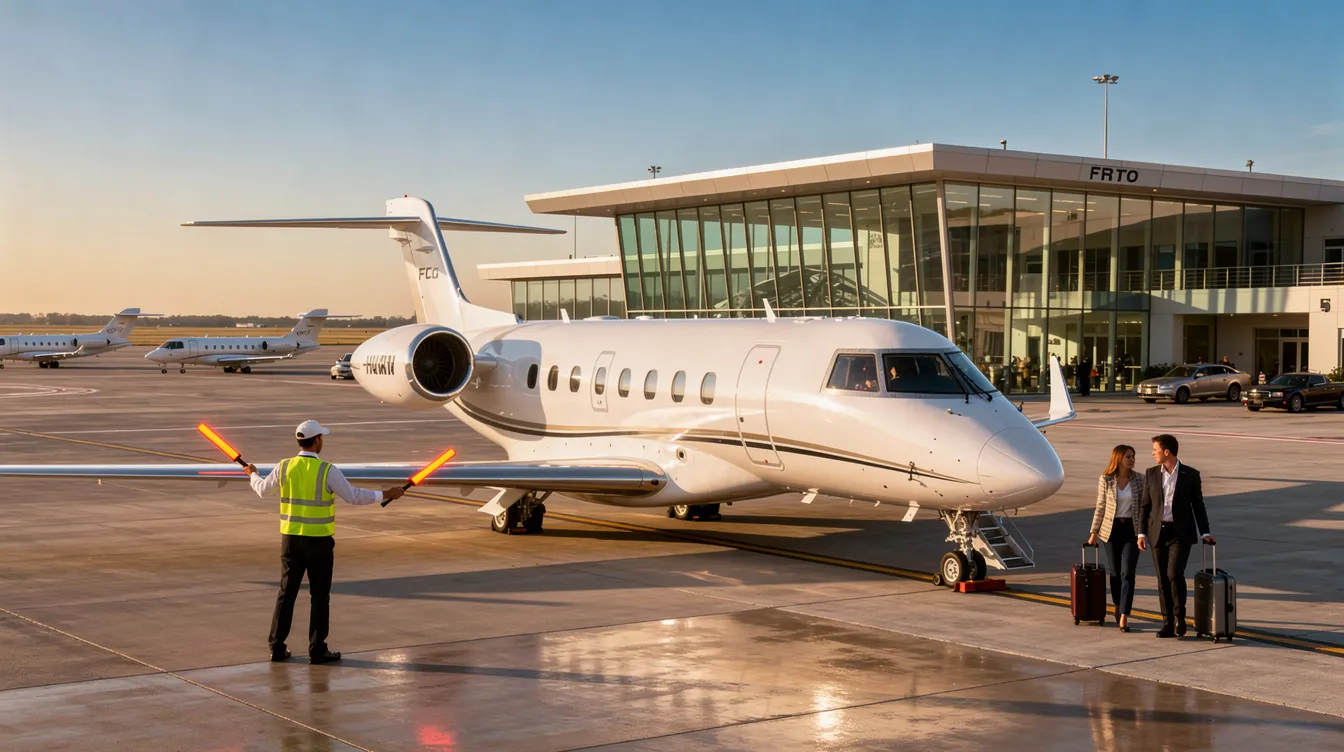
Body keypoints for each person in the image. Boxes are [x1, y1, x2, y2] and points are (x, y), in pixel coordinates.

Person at [247, 420, 406, 663]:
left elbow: (261, 489)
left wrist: (253, 474)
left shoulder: (284, 466)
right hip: (319, 543)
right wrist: (386, 494)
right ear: (317, 440)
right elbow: (354, 496)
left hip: (290, 541)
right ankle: (317, 649)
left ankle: (277, 647)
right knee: (319, 596)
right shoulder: (327, 470)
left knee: (286, 594)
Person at [1136, 434, 1215, 639]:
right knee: (1162, 580)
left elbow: (1198, 505)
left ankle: (1180, 617)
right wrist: (1141, 533)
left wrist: (1205, 532)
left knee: (1174, 574)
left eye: (1155, 449)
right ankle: (1168, 622)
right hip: (1157, 533)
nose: (1153, 453)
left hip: (1180, 534)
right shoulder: (1151, 473)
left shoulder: (1190, 474)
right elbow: (1145, 506)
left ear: (1166, 452)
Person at [1089, 445, 1140, 632]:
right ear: (1118, 458)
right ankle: (1118, 604)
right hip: (1110, 530)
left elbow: (1143, 509)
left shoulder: (1139, 480)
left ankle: (1125, 614)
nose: (1132, 460)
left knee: (1128, 572)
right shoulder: (1106, 479)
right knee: (1116, 572)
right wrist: (1094, 532)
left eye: (1133, 456)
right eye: (1128, 456)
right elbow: (1100, 506)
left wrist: (1142, 533)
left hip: (1131, 531)